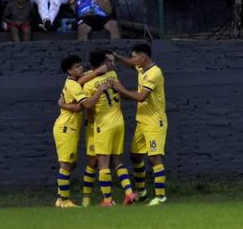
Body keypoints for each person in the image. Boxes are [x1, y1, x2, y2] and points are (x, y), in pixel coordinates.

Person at [111, 43, 168, 206]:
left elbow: (141, 97)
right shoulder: (141, 68)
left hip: (154, 122)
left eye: (135, 56)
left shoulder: (154, 73)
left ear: (143, 57)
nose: (133, 59)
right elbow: (130, 64)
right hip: (142, 120)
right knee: (135, 155)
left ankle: (160, 196)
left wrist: (120, 89)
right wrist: (117, 57)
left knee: (154, 157)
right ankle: (142, 193)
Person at [82, 49, 137, 207]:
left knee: (103, 164)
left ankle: (108, 200)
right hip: (118, 122)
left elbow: (89, 107)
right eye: (109, 61)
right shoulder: (113, 76)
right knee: (117, 161)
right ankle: (128, 193)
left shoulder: (89, 84)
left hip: (103, 124)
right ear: (103, 64)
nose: (112, 64)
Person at [53, 55, 105, 208]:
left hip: (70, 127)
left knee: (71, 164)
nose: (81, 68)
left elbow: (89, 74)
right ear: (69, 71)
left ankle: (60, 198)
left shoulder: (74, 81)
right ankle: (63, 200)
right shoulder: (73, 85)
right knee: (66, 164)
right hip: (66, 127)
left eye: (81, 65)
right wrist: (100, 90)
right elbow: (84, 105)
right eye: (77, 66)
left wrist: (97, 71)